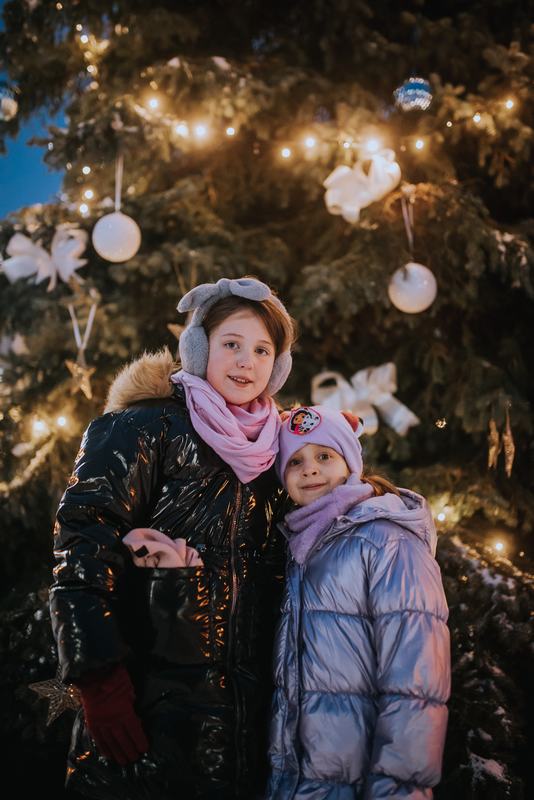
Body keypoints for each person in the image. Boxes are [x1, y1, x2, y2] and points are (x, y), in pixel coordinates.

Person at [49, 276, 297, 800]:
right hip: (148, 700)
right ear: (198, 347)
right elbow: (82, 543)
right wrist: (99, 676)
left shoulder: (279, 449)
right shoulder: (141, 427)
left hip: (245, 716)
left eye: (262, 350)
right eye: (231, 344)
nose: (246, 362)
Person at [266, 405, 451, 800]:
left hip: (365, 779)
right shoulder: (300, 545)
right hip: (304, 780)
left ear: (350, 461)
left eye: (324, 456)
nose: (309, 470)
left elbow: (416, 681)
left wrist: (398, 787)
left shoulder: (385, 540)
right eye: (295, 461)